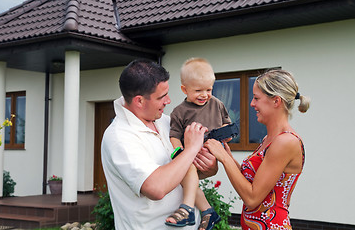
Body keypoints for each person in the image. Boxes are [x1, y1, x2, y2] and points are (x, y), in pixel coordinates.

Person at [101, 59, 217, 230]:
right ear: (139, 101)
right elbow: (156, 188)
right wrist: (191, 149)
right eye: (162, 97)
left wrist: (209, 167)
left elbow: (184, 172)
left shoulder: (166, 122)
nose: (168, 101)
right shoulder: (119, 137)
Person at [204, 69, 310, 229]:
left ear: (276, 101)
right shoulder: (269, 140)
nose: (252, 104)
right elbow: (252, 182)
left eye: (256, 98)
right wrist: (228, 156)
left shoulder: (286, 142)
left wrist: (225, 160)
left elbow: (252, 198)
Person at [165, 58, 231, 230]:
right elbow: (174, 136)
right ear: (184, 89)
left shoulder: (216, 103)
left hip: (211, 152)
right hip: (191, 157)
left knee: (184, 175)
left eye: (209, 89)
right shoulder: (179, 112)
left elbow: (226, 123)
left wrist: (225, 134)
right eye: (198, 90)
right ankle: (207, 211)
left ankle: (187, 209)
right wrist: (179, 154)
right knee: (185, 174)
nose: (204, 94)